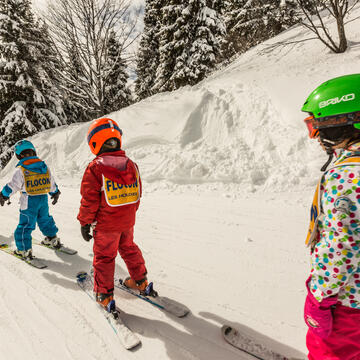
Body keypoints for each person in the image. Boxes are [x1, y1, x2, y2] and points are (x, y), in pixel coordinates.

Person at [302, 74, 360, 360]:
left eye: (314, 125)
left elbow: (342, 245)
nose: (314, 136)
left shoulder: (347, 176)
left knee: (331, 353)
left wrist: (320, 296)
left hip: (349, 303)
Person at [77, 117, 153, 310]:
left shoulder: (95, 168)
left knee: (104, 257)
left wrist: (85, 222)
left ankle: (104, 294)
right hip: (127, 221)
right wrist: (129, 214)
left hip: (106, 226)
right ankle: (140, 281)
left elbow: (89, 200)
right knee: (128, 248)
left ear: (95, 142)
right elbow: (137, 194)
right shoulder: (131, 165)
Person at [0, 140, 61, 259]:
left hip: (28, 202)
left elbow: (13, 186)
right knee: (45, 219)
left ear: (19, 155)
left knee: (26, 225)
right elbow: (50, 182)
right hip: (43, 199)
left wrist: (3, 195)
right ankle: (52, 238)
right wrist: (55, 192)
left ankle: (24, 250)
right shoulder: (44, 167)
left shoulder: (21, 170)